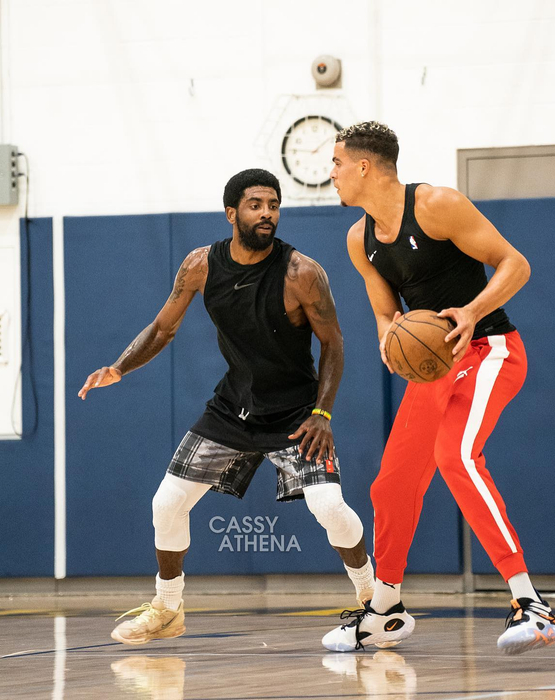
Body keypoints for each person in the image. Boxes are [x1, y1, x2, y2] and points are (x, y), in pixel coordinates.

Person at [79, 169, 375, 646]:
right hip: (232, 409)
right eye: (256, 205)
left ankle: (374, 599)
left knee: (329, 506)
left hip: (296, 415)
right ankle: (168, 608)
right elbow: (163, 328)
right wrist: (119, 367)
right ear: (231, 213)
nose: (267, 214)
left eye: (273, 205)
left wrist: (322, 413)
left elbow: (333, 344)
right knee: (167, 503)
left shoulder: (301, 273)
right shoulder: (201, 265)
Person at [321, 122, 555, 655]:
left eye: (336, 163)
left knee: (456, 456)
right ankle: (386, 609)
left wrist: (473, 311)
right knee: (391, 485)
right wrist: (389, 339)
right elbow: (385, 312)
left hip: (490, 349)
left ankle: (532, 604)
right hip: (435, 369)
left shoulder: (436, 205)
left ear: (363, 165)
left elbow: (516, 264)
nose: (331, 173)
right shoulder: (359, 240)